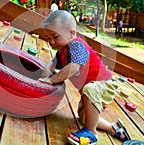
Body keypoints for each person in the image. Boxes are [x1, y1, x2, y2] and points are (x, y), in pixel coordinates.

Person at [39, 10, 131, 145]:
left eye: (55, 37)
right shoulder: (62, 52)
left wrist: (51, 80)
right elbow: (52, 64)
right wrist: (45, 72)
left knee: (89, 90)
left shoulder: (77, 45)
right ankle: (115, 129)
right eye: (48, 38)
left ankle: (91, 133)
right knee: (84, 116)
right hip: (92, 88)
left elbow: (74, 67)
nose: (51, 42)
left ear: (71, 33)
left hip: (104, 83)